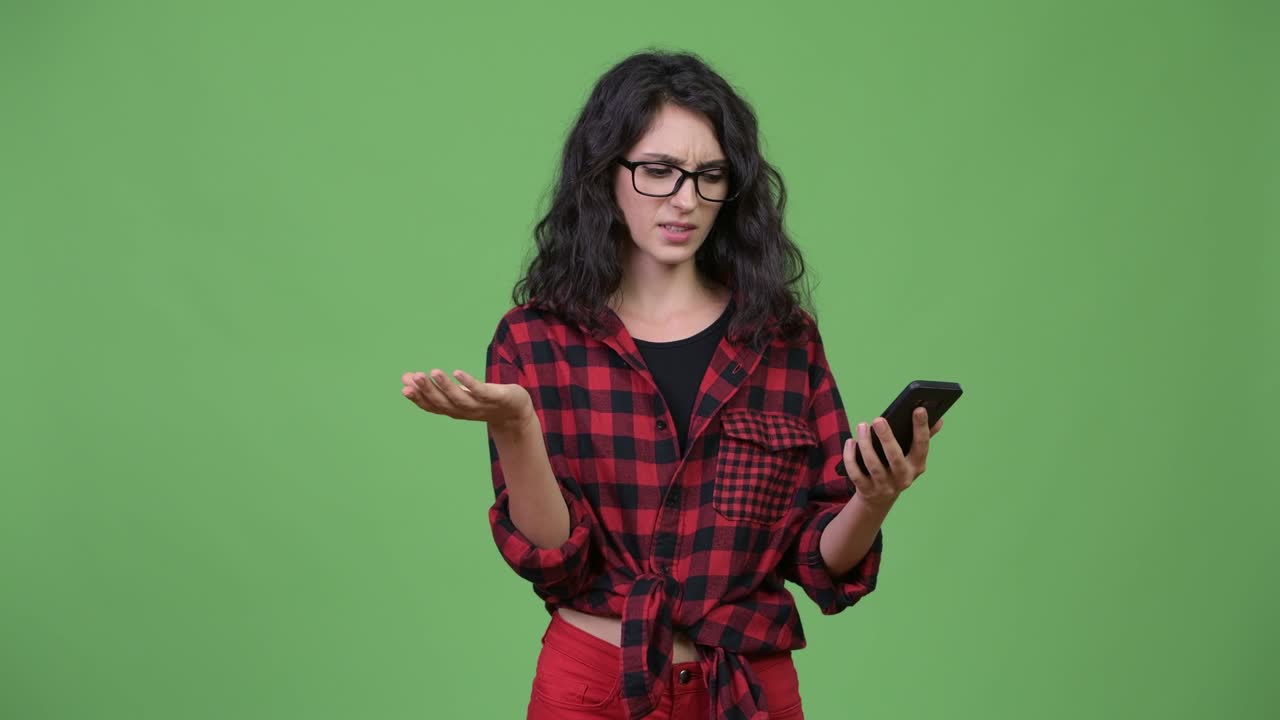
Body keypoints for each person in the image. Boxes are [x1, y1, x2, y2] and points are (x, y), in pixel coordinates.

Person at [400, 49, 944, 720]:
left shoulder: (781, 338)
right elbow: (554, 560)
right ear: (606, 174)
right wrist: (516, 427)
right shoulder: (536, 338)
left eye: (708, 176)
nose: (684, 200)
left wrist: (875, 498)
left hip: (749, 688)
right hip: (596, 689)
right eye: (658, 171)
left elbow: (820, 560)